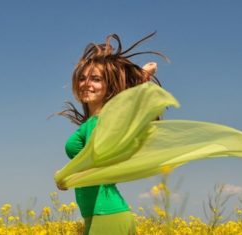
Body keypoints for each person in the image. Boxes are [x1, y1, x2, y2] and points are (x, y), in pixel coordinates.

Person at [56, 32, 164, 235]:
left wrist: (65, 176)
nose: (86, 84)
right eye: (82, 78)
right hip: (100, 216)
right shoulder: (93, 123)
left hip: (106, 216)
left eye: (95, 79)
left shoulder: (103, 122)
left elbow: (96, 159)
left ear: (109, 85)